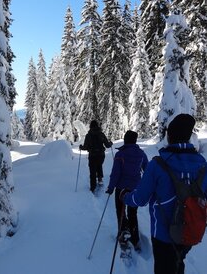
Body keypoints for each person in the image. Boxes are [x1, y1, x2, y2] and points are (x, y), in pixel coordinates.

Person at [121, 114, 207, 274]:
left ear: (170, 136)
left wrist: (125, 197)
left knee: (165, 267)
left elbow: (140, 199)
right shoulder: (202, 164)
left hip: (163, 235)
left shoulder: (158, 165)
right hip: (190, 230)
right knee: (178, 262)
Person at [105, 130, 148, 250]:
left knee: (120, 210)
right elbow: (147, 170)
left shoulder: (120, 154)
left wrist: (110, 187)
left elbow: (115, 173)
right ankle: (135, 238)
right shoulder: (141, 153)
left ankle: (123, 232)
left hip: (121, 189)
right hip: (135, 189)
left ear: (125, 140)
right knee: (133, 213)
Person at [79, 120, 113, 193]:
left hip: (92, 155)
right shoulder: (101, 134)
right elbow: (107, 145)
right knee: (99, 165)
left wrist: (81, 147)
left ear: (90, 126)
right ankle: (100, 179)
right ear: (97, 126)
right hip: (101, 155)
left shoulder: (88, 135)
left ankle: (93, 187)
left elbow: (85, 147)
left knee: (92, 170)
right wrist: (110, 143)